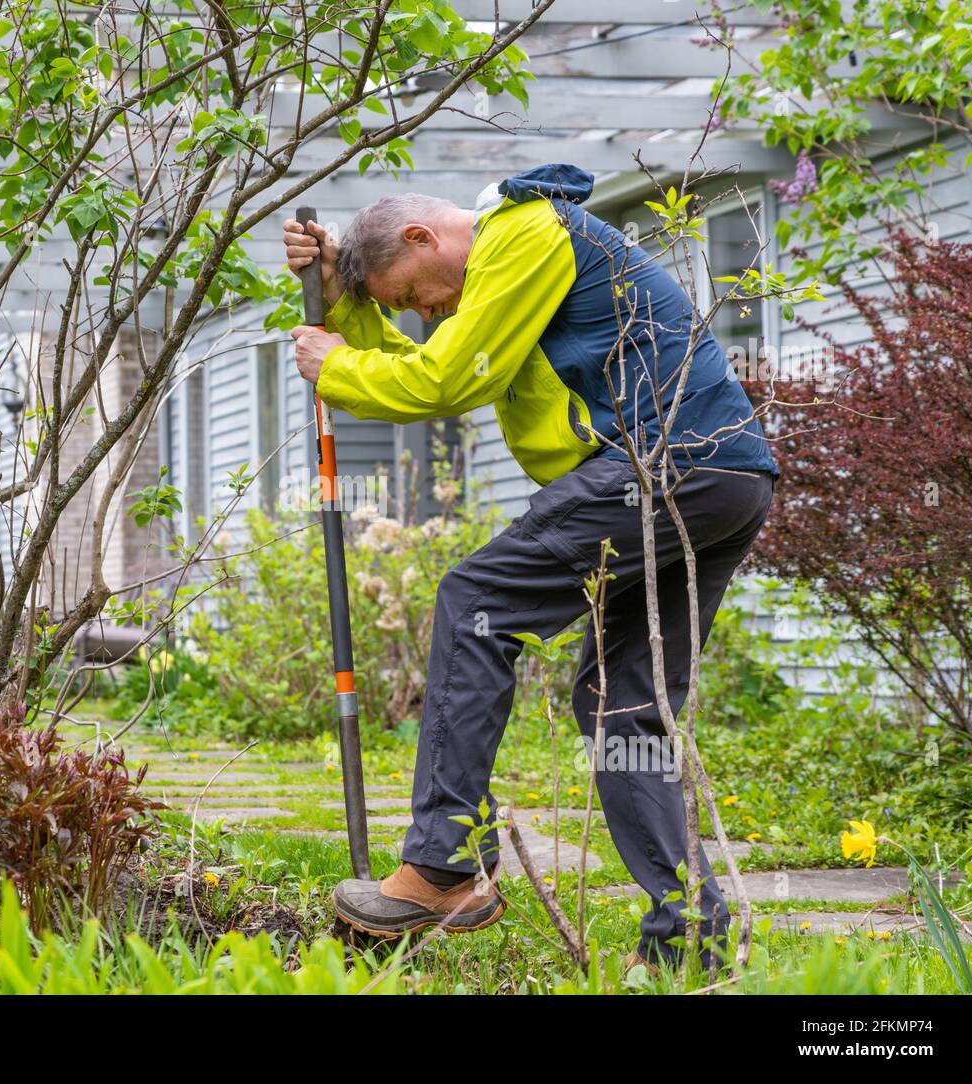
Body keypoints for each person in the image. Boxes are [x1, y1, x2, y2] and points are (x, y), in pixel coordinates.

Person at [283, 163, 777, 972]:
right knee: (625, 712)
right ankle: (689, 943)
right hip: (724, 479)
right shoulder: (509, 270)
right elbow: (426, 365)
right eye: (404, 310)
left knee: (474, 597)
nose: (423, 314)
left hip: (662, 466)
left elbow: (445, 379)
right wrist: (345, 297)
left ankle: (443, 864)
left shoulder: (522, 231)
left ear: (423, 237)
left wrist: (334, 364)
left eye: (410, 296)